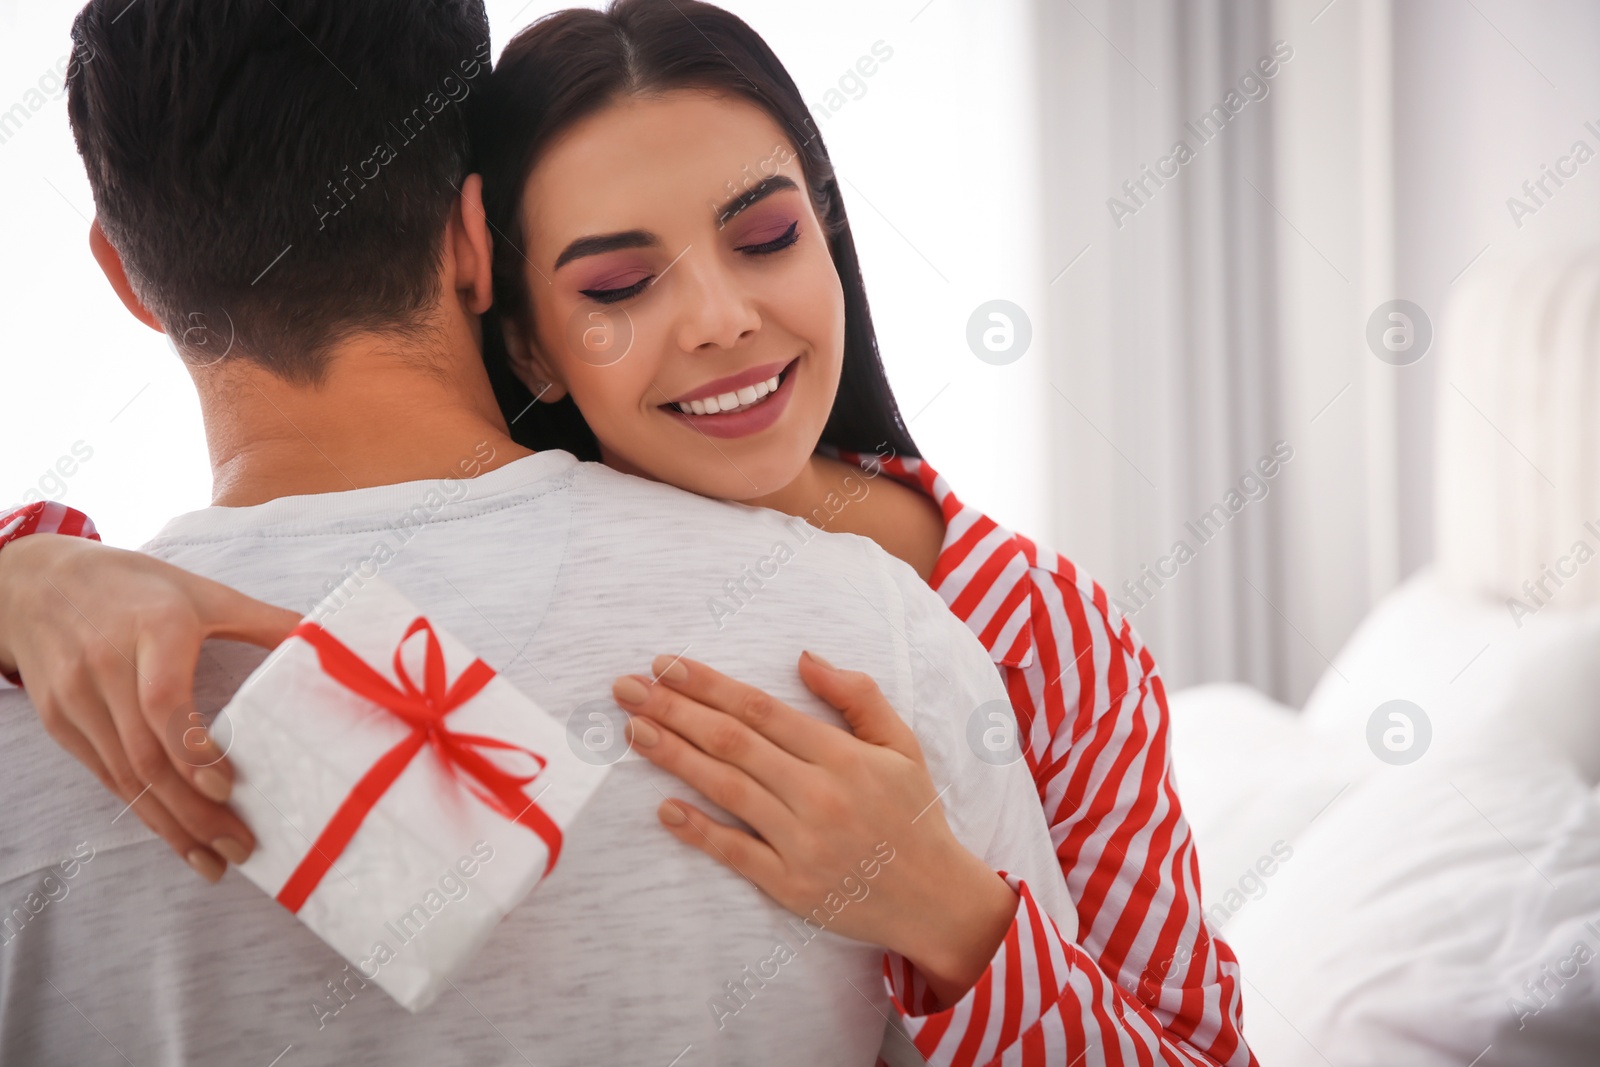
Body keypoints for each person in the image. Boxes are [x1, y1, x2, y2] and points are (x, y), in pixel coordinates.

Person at [0, 2, 1256, 1065]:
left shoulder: (984, 624)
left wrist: (952, 915)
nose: (718, 320)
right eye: (615, 283)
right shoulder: (112, 625)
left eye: (766, 236)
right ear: (495, 272)